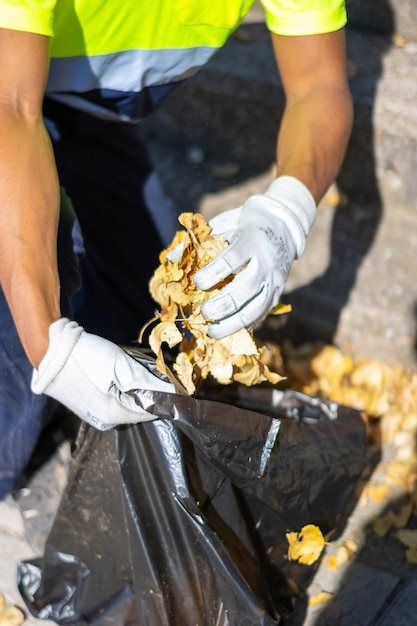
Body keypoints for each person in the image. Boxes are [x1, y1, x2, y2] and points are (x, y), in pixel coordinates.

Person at [0, 0, 353, 500]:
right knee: (25, 316)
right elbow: (9, 107)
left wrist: (284, 215)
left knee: (147, 315)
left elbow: (319, 84)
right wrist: (47, 345)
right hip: (9, 86)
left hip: (82, 104)